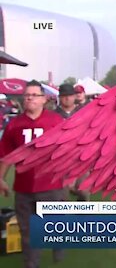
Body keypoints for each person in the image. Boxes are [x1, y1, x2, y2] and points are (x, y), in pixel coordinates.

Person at [0, 80, 65, 268]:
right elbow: (5, 155)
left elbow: (69, 150)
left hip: (51, 185)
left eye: (34, 95)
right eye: (27, 94)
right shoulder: (14, 125)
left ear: (44, 99)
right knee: (27, 231)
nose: (29, 98)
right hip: (24, 187)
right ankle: (31, 263)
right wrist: (1, 178)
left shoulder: (56, 122)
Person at [54, 84, 89, 201]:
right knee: (61, 196)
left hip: (80, 156)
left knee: (83, 192)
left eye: (70, 95)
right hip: (60, 158)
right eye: (64, 96)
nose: (67, 98)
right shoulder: (53, 115)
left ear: (74, 96)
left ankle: (83, 217)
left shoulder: (84, 112)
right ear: (59, 97)